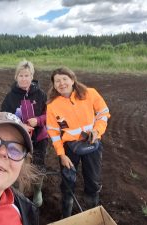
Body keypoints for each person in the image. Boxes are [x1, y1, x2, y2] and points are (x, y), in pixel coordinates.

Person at [46, 67, 110, 218]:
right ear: (54, 85)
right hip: (69, 149)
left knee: (93, 182)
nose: (62, 83)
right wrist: (62, 155)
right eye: (57, 81)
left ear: (72, 80)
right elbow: (54, 133)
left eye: (64, 79)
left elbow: (103, 113)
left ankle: (92, 213)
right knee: (68, 182)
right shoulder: (52, 105)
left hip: (92, 144)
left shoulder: (90, 93)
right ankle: (66, 214)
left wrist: (97, 131)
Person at [1, 59, 48, 207]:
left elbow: (49, 115)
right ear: (16, 77)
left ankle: (37, 190)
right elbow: (4, 116)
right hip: (18, 138)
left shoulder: (41, 94)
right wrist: (20, 124)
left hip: (39, 137)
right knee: (16, 163)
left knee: (38, 165)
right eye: (21, 75)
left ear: (31, 76)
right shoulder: (10, 97)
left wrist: (38, 120)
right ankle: (16, 194)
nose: (24, 78)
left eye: (27, 75)